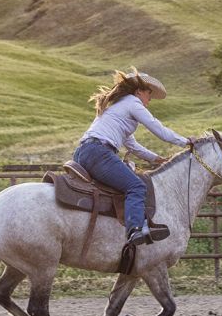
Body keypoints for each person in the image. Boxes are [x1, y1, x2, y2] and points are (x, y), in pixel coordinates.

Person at [72, 68, 192, 246]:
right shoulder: (132, 103)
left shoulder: (118, 109)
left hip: (84, 152)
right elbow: (157, 128)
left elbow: (133, 146)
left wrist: (157, 159)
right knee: (136, 186)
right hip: (99, 153)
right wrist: (187, 141)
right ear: (139, 91)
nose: (149, 100)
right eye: (148, 94)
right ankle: (134, 229)